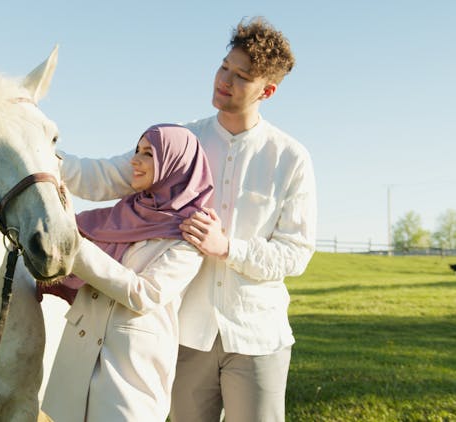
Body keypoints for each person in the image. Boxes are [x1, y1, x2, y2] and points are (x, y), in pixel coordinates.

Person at [56, 17, 317, 422]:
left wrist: (228, 247)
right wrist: (41, 155)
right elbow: (108, 176)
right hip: (184, 333)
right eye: (224, 67)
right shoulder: (180, 143)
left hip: (257, 335)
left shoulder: (290, 158)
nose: (224, 80)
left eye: (242, 76)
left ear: (267, 90)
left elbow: (295, 252)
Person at [40, 124, 214, 422]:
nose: (134, 160)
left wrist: (77, 247)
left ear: (175, 164)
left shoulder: (189, 233)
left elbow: (145, 294)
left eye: (148, 154)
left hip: (128, 371)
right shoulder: (118, 215)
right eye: (136, 151)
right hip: (77, 357)